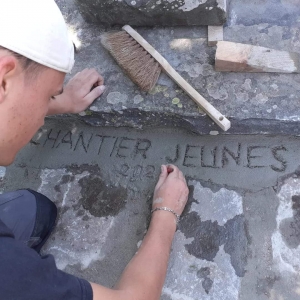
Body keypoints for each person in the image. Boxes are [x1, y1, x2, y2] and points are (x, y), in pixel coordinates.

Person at [0, 1, 189, 300]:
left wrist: (58, 103)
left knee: (33, 209)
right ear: (4, 79)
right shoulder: (8, 275)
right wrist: (166, 213)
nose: (41, 118)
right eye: (49, 94)